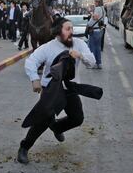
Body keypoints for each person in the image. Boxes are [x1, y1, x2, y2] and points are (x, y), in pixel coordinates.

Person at [17, 17, 98, 164]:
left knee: (77, 118)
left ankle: (56, 127)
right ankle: (24, 147)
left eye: (72, 28)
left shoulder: (79, 44)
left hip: (70, 87)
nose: (71, 32)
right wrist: (35, 79)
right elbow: (31, 61)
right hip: (51, 89)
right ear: (58, 31)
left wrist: (80, 55)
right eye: (68, 29)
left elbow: (92, 61)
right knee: (43, 120)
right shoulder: (48, 47)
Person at [86, 0, 105, 69]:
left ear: (98, 2)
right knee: (98, 47)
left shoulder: (97, 8)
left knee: (92, 47)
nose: (94, 3)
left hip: (95, 30)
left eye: (95, 2)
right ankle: (99, 63)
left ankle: (93, 64)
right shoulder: (103, 9)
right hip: (100, 30)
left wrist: (92, 15)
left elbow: (95, 17)